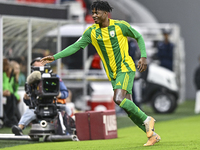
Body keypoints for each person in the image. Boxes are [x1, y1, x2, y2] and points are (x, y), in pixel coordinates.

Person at [40, 0, 160, 146]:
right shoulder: (92, 32)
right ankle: (152, 135)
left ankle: (147, 119)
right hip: (113, 74)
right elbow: (76, 46)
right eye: (93, 12)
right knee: (128, 107)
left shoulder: (120, 26)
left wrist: (143, 57)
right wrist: (55, 57)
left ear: (105, 13)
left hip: (125, 67)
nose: (94, 15)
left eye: (97, 12)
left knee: (118, 99)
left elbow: (139, 37)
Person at [12, 57, 71, 135]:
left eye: (42, 64)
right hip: (38, 105)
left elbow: (65, 93)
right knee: (30, 112)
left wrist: (59, 94)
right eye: (37, 66)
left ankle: (68, 128)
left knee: (67, 109)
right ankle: (19, 128)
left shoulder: (55, 78)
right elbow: (29, 102)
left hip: (54, 104)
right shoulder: (31, 82)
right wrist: (26, 98)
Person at [3, 58, 18, 127]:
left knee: (12, 97)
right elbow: (5, 86)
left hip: (7, 95)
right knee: (11, 98)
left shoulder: (10, 76)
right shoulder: (3, 75)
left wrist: (16, 78)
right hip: (3, 95)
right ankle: (8, 120)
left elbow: (13, 89)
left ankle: (12, 119)